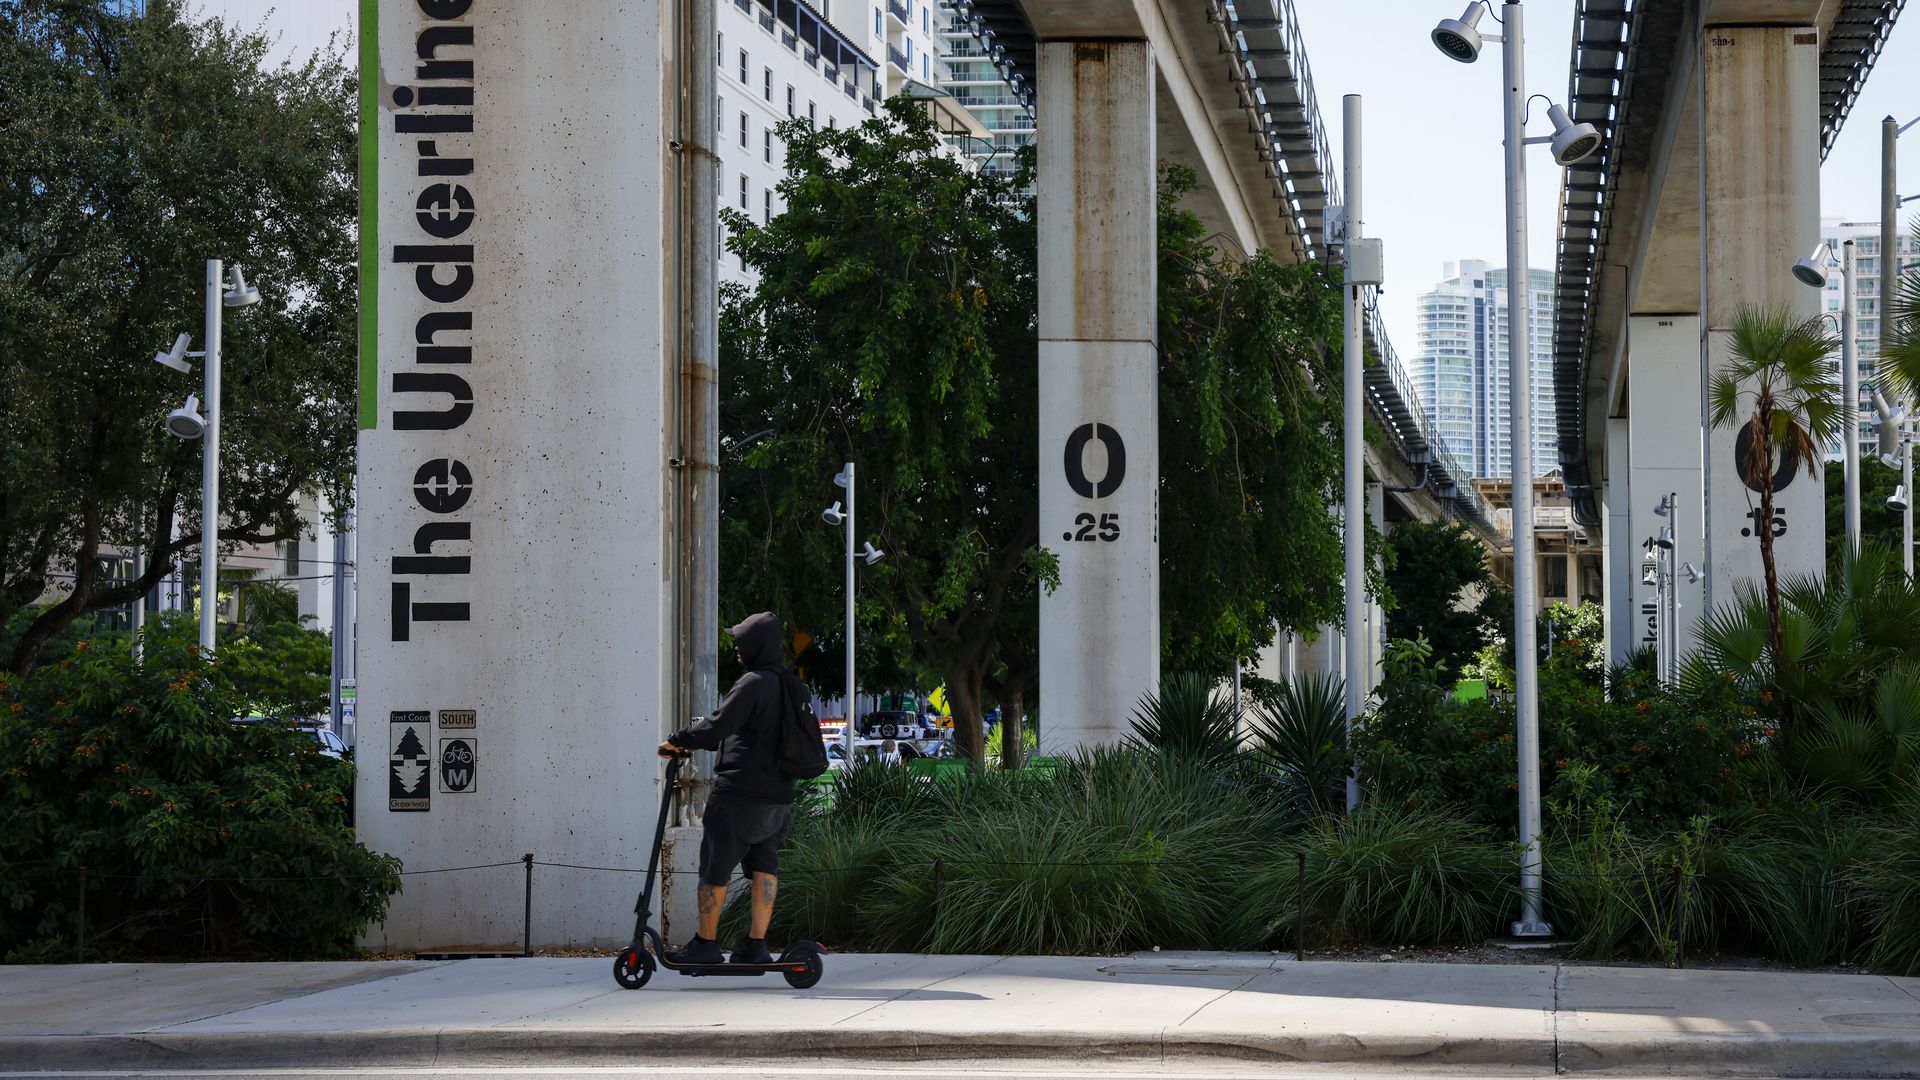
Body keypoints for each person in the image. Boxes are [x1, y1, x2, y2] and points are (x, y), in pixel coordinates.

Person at [656, 612, 800, 965]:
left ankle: (706, 943)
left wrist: (678, 741)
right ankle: (756, 944)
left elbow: (718, 725)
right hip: (778, 798)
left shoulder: (753, 683)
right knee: (765, 866)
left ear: (757, 645)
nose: (737, 647)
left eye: (742, 641)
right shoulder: (792, 685)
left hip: (739, 795)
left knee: (715, 865)